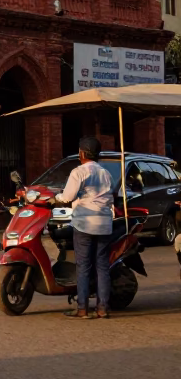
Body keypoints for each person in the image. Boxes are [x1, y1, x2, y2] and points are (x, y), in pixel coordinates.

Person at [55, 136, 114, 319]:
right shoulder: (107, 173)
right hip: (104, 223)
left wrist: (56, 198)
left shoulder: (78, 172)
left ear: (81, 153)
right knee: (102, 266)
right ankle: (102, 309)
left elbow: (67, 197)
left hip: (84, 223)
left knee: (83, 266)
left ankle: (82, 309)